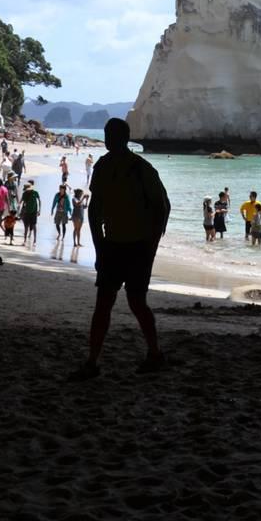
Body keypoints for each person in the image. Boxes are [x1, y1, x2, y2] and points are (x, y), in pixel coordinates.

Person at [70, 118, 170, 381]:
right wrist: (99, 244)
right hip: (113, 244)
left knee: (136, 302)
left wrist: (151, 246)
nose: (107, 139)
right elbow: (95, 208)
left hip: (137, 246)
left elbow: (160, 208)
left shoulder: (141, 168)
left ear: (124, 138)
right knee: (104, 303)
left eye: (111, 134)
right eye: (106, 134)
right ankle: (92, 361)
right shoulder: (103, 166)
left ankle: (154, 353)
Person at [19, 181, 40, 246]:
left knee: (34, 226)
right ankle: (24, 240)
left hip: (34, 212)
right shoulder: (24, 194)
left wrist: (39, 210)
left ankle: (35, 241)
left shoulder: (35, 192)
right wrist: (19, 206)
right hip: (26, 211)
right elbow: (21, 201)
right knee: (26, 226)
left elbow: (39, 200)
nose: (26, 191)